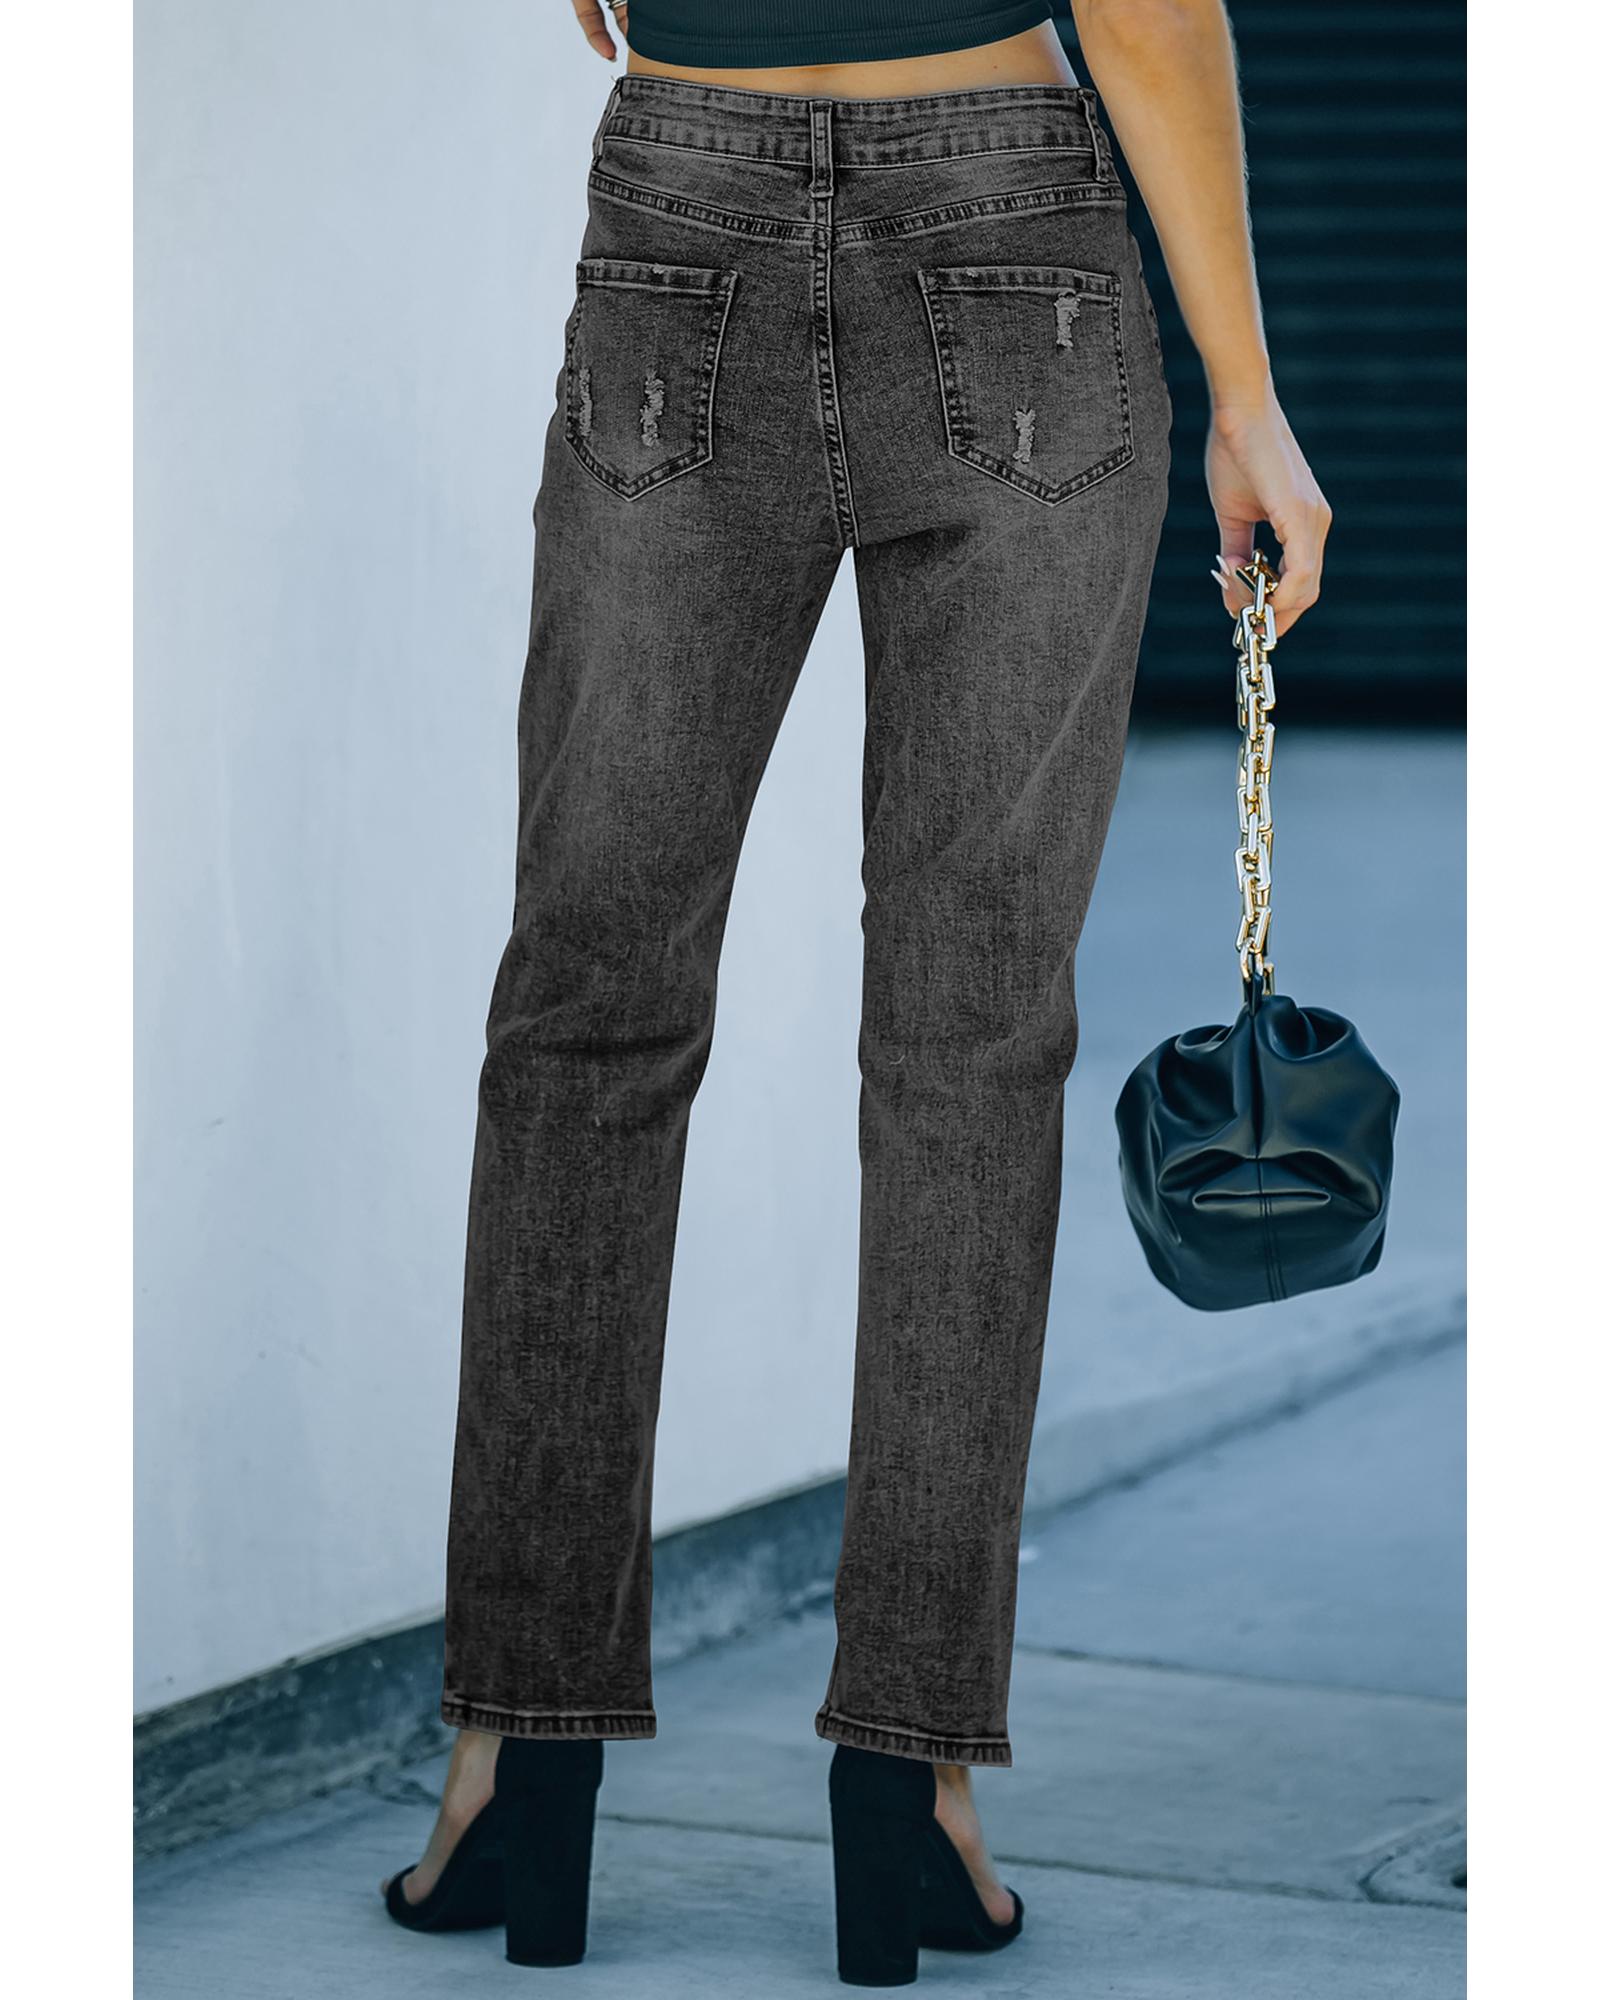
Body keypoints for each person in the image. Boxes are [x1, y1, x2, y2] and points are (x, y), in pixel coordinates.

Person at [383, 0, 1330, 1982]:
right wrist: (1246, 392)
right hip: (1011, 231)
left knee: (587, 1020)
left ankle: (515, 1765)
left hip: (687, 200)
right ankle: (912, 1787)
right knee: (970, 1044)